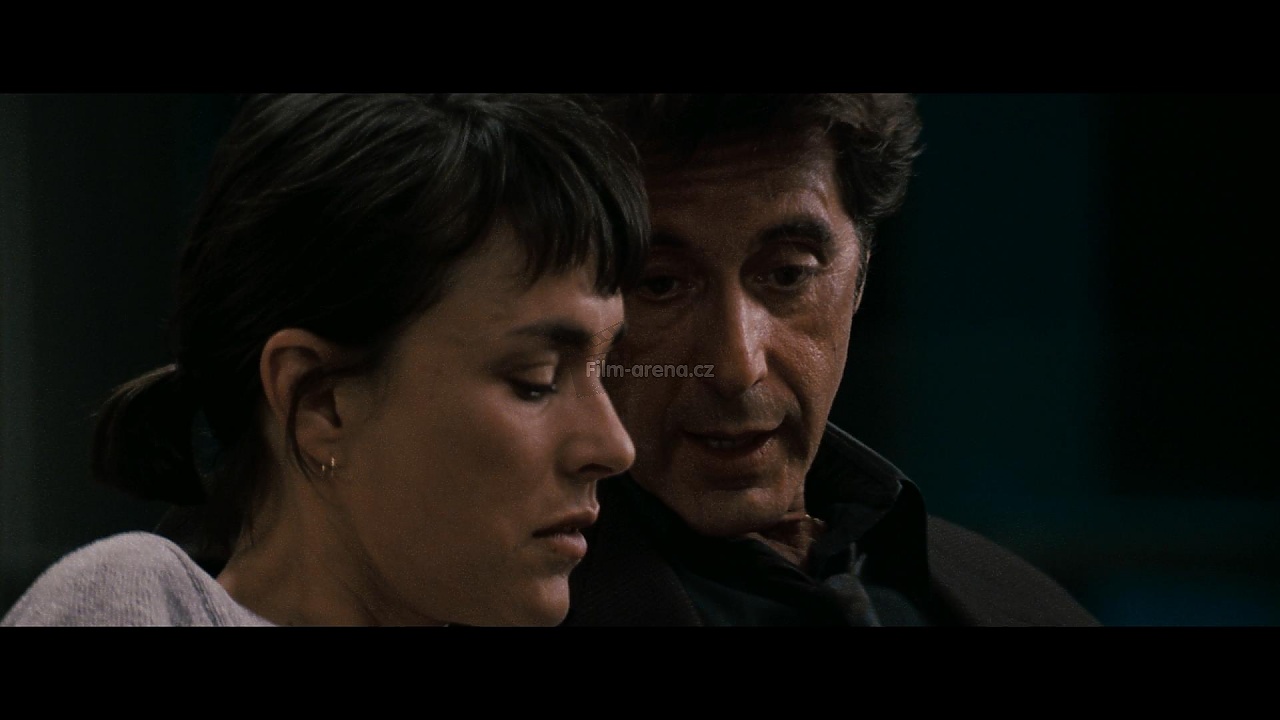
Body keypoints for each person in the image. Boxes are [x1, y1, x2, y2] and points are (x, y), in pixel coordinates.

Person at [2, 93, 646, 626]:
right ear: (322, 402)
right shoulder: (139, 604)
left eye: (604, 371)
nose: (614, 447)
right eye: (535, 380)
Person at [562, 94, 1100, 626]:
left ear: (861, 272)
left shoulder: (1015, 597)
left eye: (788, 274)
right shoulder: (528, 604)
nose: (736, 367)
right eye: (660, 284)